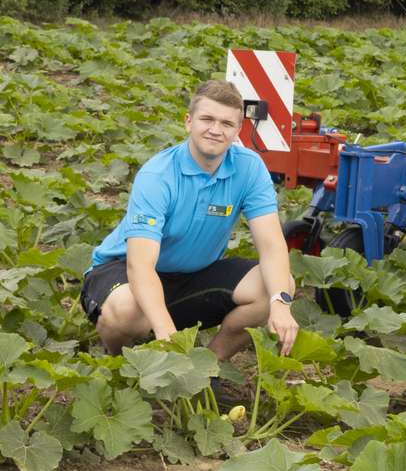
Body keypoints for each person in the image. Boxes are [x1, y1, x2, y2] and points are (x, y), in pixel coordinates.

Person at [81, 80, 299, 359]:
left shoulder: (249, 167)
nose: (215, 130)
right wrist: (168, 335)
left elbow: (272, 246)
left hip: (193, 276)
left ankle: (207, 365)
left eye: (226, 123)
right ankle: (123, 363)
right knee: (125, 311)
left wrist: (280, 304)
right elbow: (140, 265)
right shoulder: (158, 175)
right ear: (188, 122)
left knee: (279, 286)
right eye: (207, 119)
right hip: (124, 270)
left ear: (238, 130)